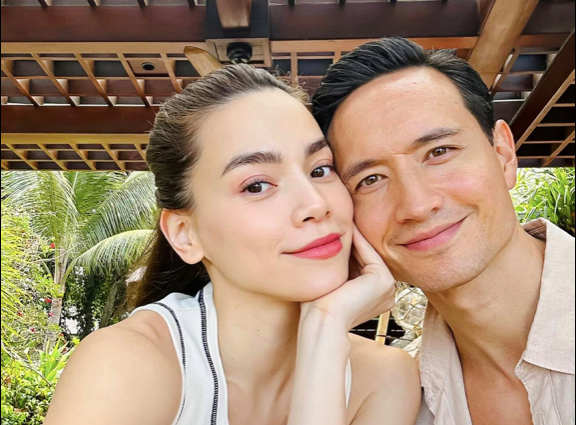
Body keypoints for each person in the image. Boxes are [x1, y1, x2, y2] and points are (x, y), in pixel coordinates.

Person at [44, 64, 421, 425]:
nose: (316, 204)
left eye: (320, 169)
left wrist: (326, 330)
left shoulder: (382, 379)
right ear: (185, 234)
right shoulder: (128, 364)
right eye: (256, 186)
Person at [313, 37, 575, 425]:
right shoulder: (401, 403)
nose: (417, 206)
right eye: (371, 179)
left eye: (439, 152)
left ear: (503, 155)